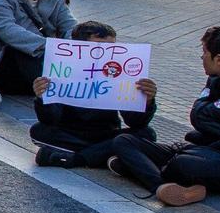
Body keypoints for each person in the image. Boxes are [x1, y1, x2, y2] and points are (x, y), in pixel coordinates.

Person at [103, 25, 220, 206]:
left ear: (219, 60)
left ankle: (150, 177)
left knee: (181, 165)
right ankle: (163, 186)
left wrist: (211, 87)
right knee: (124, 141)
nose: (202, 57)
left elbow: (199, 115)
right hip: (206, 149)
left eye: (204, 52)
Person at [29, 20, 159, 168]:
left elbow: (135, 122)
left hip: (105, 134)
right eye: (99, 48)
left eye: (111, 48)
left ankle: (77, 159)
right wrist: (42, 98)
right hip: (70, 133)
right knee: (39, 130)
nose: (105, 53)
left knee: (147, 134)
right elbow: (49, 119)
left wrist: (147, 101)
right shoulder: (62, 71)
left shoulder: (118, 72)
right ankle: (106, 156)